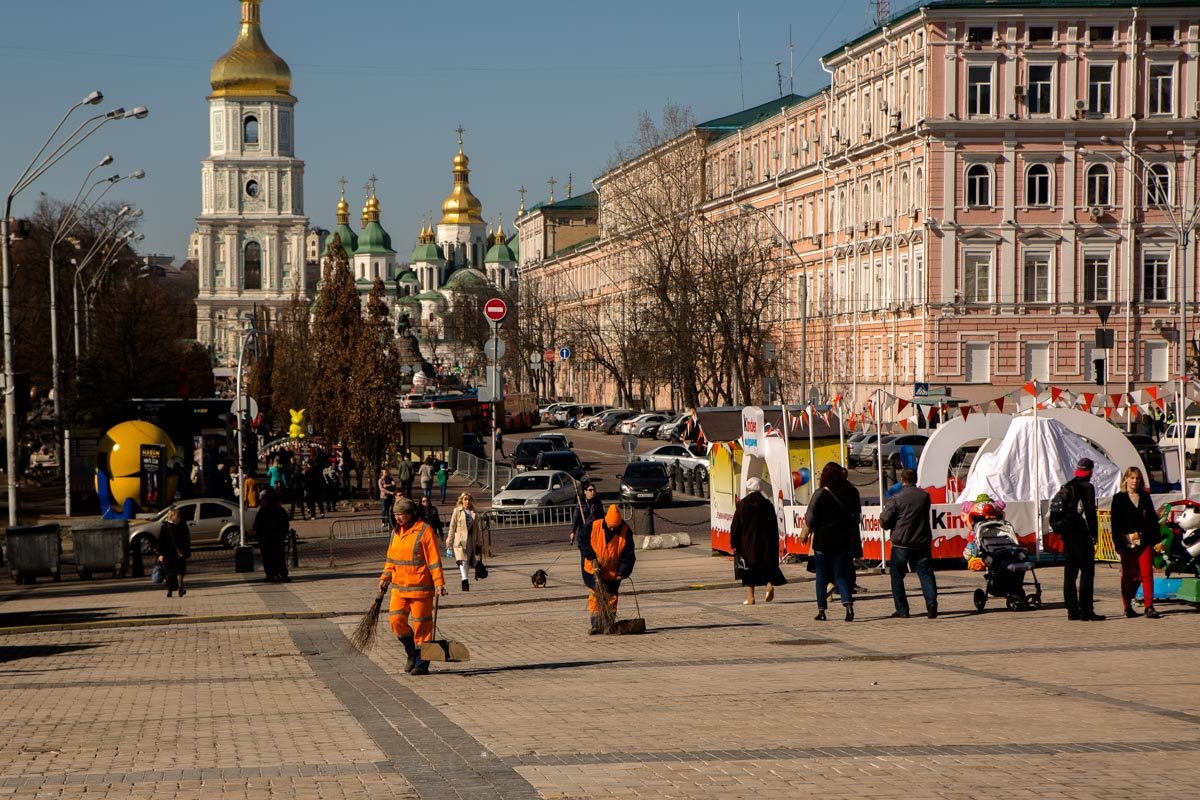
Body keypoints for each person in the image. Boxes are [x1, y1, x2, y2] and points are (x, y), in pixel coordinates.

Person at [379, 498, 447, 676]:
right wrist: (385, 577)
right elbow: (391, 558)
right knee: (396, 621)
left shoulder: (424, 531)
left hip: (420, 587)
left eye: (400, 514)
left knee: (422, 626)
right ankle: (412, 652)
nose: (397, 518)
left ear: (410, 514)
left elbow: (433, 560)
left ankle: (422, 663)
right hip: (399, 587)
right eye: (395, 515)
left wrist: (439, 583)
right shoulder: (396, 532)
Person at [804, 462, 862, 622]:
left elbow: (809, 517)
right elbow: (856, 517)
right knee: (841, 575)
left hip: (822, 540)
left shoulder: (820, 493)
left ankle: (822, 610)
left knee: (821, 576)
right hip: (842, 540)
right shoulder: (851, 492)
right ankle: (848, 605)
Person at [1051, 457, 1105, 621]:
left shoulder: (1068, 486)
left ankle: (1072, 611)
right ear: (1090, 471)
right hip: (1081, 535)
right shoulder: (1087, 487)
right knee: (1087, 573)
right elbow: (1090, 512)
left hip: (1067, 535)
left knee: (1070, 575)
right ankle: (1086, 610)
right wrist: (1094, 534)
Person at [879, 468, 938, 619]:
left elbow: (885, 519)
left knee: (897, 576)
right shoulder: (925, 496)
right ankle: (931, 603)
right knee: (925, 573)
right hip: (921, 540)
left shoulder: (896, 498)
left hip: (902, 543)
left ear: (902, 480)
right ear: (915, 479)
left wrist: (887, 525)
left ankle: (902, 609)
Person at [1110, 466, 1162, 618]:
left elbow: (1152, 520)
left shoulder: (1145, 497)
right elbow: (1115, 524)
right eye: (1132, 477)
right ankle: (1127, 606)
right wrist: (1118, 544)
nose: (1134, 481)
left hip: (1144, 541)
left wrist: (1156, 541)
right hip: (1127, 542)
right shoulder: (1118, 498)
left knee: (1147, 573)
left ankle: (1149, 606)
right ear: (1126, 478)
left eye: (1137, 478)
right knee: (1128, 574)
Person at [579, 504, 637, 634]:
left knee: (611, 597)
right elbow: (582, 541)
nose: (612, 528)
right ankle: (596, 625)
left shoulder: (625, 531)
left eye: (615, 527)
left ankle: (608, 624)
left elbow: (629, 555)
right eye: (610, 525)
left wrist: (623, 572)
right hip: (592, 569)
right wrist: (591, 556)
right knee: (595, 595)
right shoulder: (594, 525)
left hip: (612, 572)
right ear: (606, 520)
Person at [729, 477, 787, 605]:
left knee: (748, 569)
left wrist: (733, 542)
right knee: (766, 566)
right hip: (766, 541)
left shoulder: (743, 505)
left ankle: (751, 598)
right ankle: (769, 585)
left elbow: (736, 525)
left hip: (748, 543)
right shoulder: (768, 504)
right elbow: (774, 524)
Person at [448, 492, 483, 591]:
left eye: (469, 499)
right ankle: (465, 580)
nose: (467, 501)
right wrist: (449, 542)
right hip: (460, 539)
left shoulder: (474, 512)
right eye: (465, 499)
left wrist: (479, 542)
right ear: (461, 500)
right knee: (462, 559)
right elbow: (452, 526)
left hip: (471, 538)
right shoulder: (457, 511)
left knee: (467, 560)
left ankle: (465, 578)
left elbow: (477, 528)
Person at [157, 507, 191, 598]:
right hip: (168, 553)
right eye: (177, 516)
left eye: (180, 516)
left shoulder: (182, 525)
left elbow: (187, 539)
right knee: (170, 572)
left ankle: (180, 588)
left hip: (180, 553)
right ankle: (170, 590)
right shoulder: (165, 527)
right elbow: (161, 541)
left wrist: (186, 551)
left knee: (180, 572)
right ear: (172, 516)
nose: (179, 517)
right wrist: (160, 554)